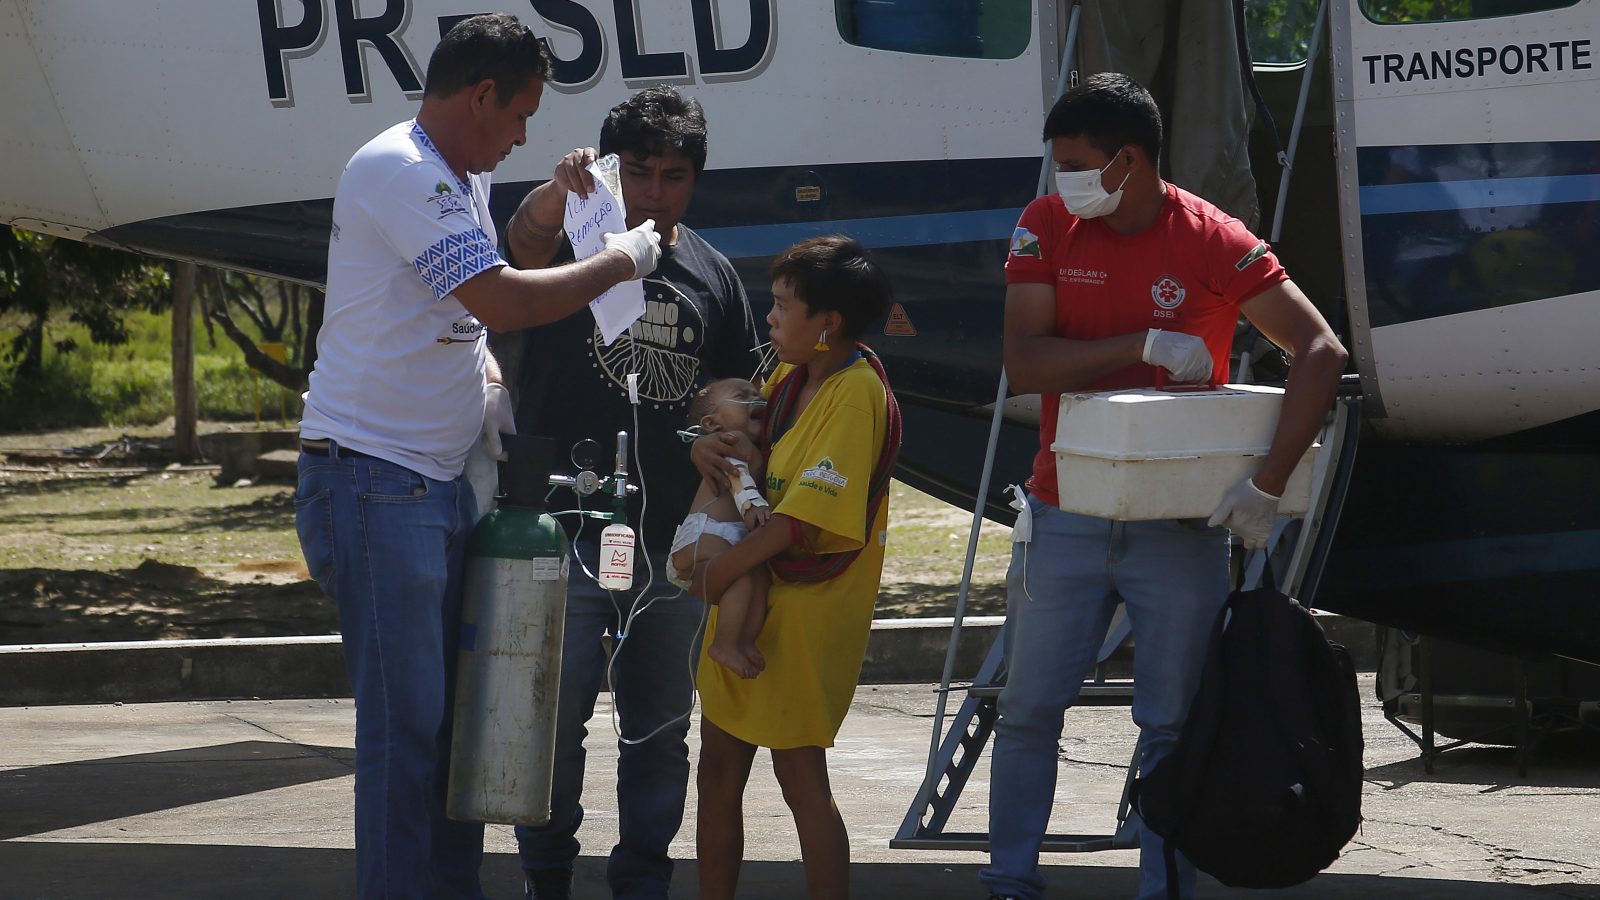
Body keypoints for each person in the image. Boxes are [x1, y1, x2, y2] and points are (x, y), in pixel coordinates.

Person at [292, 15, 661, 899]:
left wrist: (485, 379)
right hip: (375, 480)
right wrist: (618, 259)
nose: (526, 133)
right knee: (405, 730)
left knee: (454, 732)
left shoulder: (462, 172)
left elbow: (459, 311)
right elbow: (497, 297)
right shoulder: (402, 171)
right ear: (481, 95)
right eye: (523, 112)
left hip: (438, 479)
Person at [979, 73, 1348, 900]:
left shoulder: (1211, 238)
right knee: (1030, 708)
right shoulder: (1045, 226)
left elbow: (1319, 351)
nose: (1061, 181)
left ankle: (1165, 890)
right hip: (1063, 509)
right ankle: (1009, 883)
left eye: (1076, 164)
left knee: (1172, 724)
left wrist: (1269, 483)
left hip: (1178, 524)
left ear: (1129, 162)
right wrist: (1141, 341)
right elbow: (1026, 362)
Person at [501, 86, 759, 900]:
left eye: (673, 176)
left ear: (694, 181)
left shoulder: (714, 273)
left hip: (670, 545)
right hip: (560, 532)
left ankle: (642, 880)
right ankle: (547, 879)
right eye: (638, 173)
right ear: (611, 172)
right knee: (550, 727)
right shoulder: (570, 246)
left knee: (659, 731)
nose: (654, 193)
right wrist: (555, 198)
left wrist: (729, 426)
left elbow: (738, 386)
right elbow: (516, 254)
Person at [691, 235, 901, 900]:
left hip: (806, 611)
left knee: (800, 779)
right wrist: (708, 449)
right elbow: (746, 446)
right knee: (718, 772)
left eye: (783, 306)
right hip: (753, 591)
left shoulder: (855, 391)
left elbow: (802, 521)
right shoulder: (789, 376)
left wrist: (719, 577)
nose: (771, 318)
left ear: (827, 324)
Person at [670, 377, 773, 679]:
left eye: (758, 394)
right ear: (712, 424)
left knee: (758, 578)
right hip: (704, 534)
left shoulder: (754, 446)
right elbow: (736, 476)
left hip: (724, 536)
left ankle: (743, 640)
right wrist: (752, 506)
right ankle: (724, 644)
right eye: (742, 396)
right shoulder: (728, 443)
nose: (755, 398)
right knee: (740, 578)